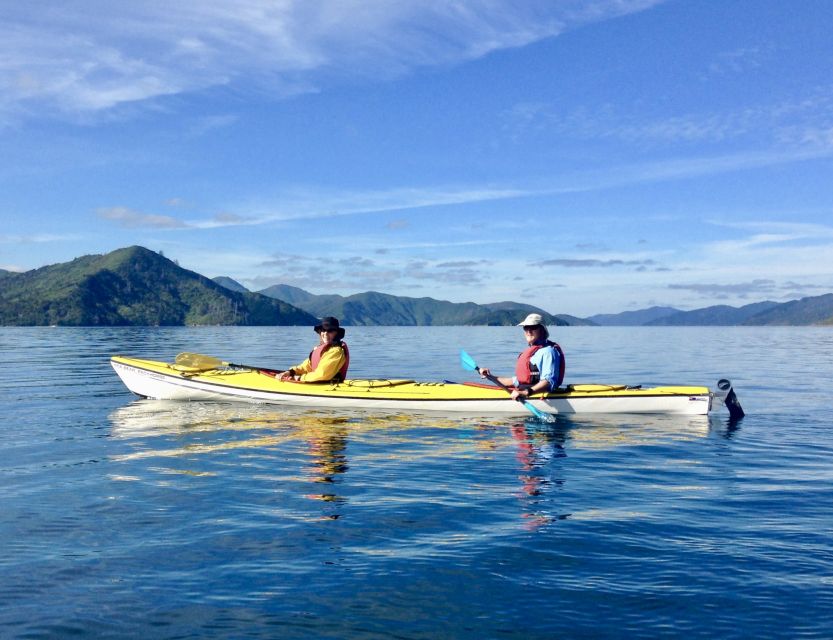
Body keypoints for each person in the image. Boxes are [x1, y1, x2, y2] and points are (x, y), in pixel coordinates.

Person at [479, 313, 565, 400]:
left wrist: (525, 393)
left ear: (542, 330)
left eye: (533, 327)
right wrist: (489, 376)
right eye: (526, 327)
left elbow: (548, 382)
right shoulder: (533, 352)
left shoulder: (548, 352)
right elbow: (515, 381)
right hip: (525, 392)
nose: (528, 331)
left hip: (536, 394)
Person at [280, 316, 350, 383]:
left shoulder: (336, 351)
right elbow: (306, 367)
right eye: (323, 330)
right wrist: (291, 372)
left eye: (330, 331)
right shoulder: (323, 350)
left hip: (329, 386)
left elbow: (322, 375)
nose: (325, 333)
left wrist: (300, 378)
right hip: (318, 383)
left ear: (337, 333)